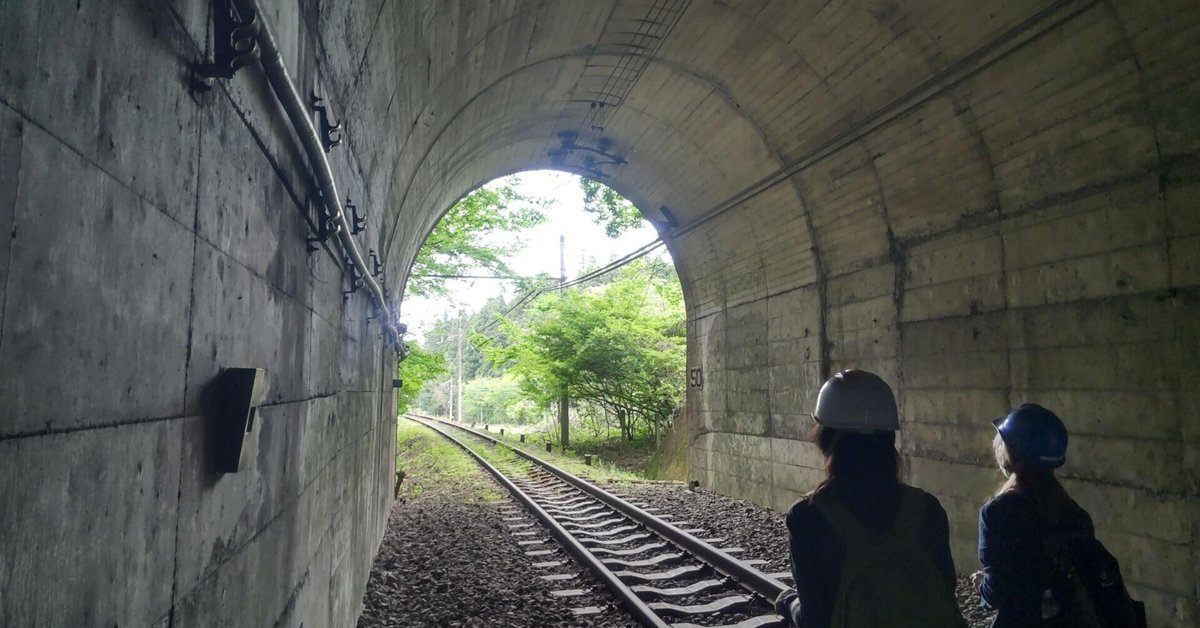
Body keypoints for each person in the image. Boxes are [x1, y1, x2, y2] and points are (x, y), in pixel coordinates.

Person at [775, 370, 964, 628]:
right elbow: (942, 593)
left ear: (826, 438)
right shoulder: (926, 508)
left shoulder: (808, 516)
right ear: (889, 438)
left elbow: (815, 620)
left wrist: (789, 603)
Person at [974, 403, 1142, 627]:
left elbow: (998, 591)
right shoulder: (1075, 514)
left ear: (1011, 454)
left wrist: (981, 586)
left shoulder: (998, 513)